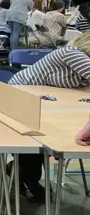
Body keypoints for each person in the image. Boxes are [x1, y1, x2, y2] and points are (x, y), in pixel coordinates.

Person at [8, 33, 90, 202]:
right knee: (39, 135)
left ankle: (21, 171)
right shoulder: (71, 53)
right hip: (21, 96)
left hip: (48, 102)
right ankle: (26, 175)